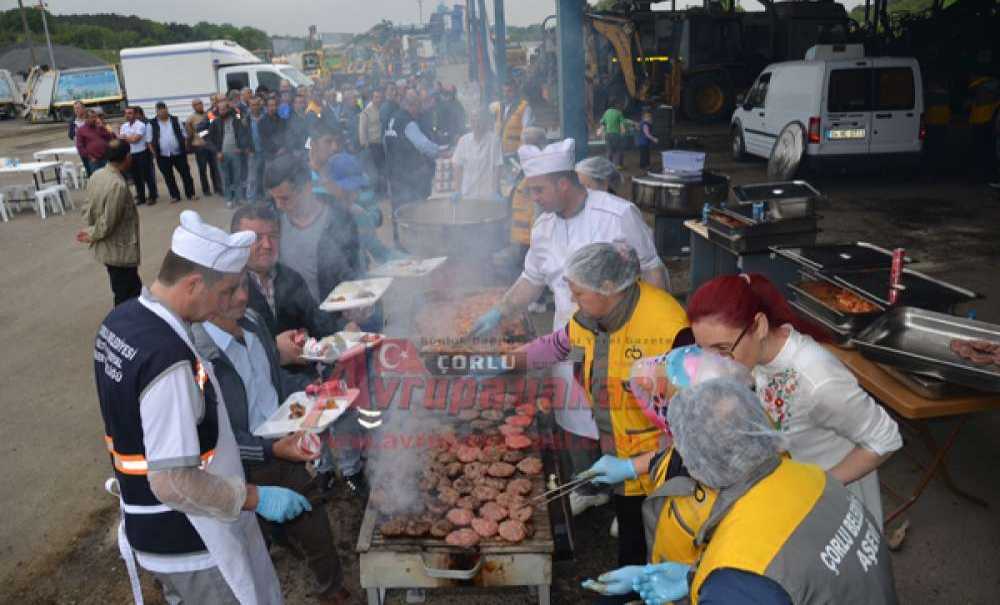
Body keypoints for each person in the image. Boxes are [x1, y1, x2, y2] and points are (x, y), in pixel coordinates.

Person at [94, 210, 311, 604]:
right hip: (191, 536)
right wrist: (256, 498)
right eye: (226, 291)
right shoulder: (168, 358)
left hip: (151, 526)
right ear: (194, 283)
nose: (230, 303)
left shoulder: (122, 321)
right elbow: (173, 481)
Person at [473, 140, 669, 514]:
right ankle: (593, 486)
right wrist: (501, 311)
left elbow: (652, 268)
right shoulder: (543, 227)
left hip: (624, 338)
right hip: (570, 335)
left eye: (538, 189)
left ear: (564, 183)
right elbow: (532, 279)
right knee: (576, 415)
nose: (532, 198)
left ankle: (633, 498)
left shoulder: (618, 214)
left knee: (627, 421)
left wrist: (656, 341)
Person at [585, 379, 898, 605]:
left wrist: (713, 587)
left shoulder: (739, 573)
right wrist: (693, 578)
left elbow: (755, 575)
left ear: (699, 465)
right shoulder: (809, 476)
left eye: (681, 448)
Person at [520, 243, 688, 604]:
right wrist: (506, 360)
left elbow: (693, 418)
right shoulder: (589, 316)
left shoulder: (668, 326)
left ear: (610, 287)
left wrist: (645, 463)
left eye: (577, 291)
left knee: (667, 539)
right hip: (620, 453)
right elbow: (558, 344)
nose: (571, 297)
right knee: (630, 529)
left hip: (667, 463)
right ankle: (633, 586)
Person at [686, 274, 902, 527]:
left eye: (722, 349)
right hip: (790, 485)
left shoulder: (818, 380)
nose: (715, 361)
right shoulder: (755, 356)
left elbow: (886, 438)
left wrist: (820, 486)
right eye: (704, 349)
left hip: (831, 504)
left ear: (760, 325)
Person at [191, 274, 352, 605]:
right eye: (229, 290)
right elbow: (210, 436)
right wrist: (268, 449)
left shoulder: (252, 322)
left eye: (243, 287)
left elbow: (272, 381)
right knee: (249, 553)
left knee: (314, 524)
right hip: (237, 467)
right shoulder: (197, 353)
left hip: (281, 446)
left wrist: (311, 394)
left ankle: (331, 589)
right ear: (204, 292)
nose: (241, 297)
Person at [232, 205, 344, 347]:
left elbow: (317, 323)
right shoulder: (229, 290)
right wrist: (275, 351)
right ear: (236, 242)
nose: (267, 245)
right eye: (257, 238)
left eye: (273, 236)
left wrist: (344, 328)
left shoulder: (291, 278)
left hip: (302, 368)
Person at [77, 139, 141, 306]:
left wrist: (91, 228)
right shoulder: (117, 184)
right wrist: (92, 234)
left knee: (130, 288)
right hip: (119, 250)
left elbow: (87, 208)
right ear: (127, 157)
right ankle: (123, 326)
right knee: (126, 294)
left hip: (109, 249)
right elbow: (108, 222)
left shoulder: (97, 175)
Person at [384, 89, 447, 245]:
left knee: (398, 209)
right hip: (408, 174)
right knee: (412, 208)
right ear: (411, 106)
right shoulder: (408, 122)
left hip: (393, 173)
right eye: (417, 107)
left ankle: (399, 242)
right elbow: (423, 145)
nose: (419, 111)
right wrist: (440, 152)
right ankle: (413, 244)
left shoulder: (392, 118)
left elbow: (385, 143)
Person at [150, 101, 196, 203]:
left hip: (178, 153)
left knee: (186, 174)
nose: (162, 113)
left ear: (167, 109)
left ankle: (191, 194)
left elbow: (184, 134)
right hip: (162, 155)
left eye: (164, 110)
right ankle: (175, 196)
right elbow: (149, 140)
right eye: (160, 111)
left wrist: (184, 146)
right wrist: (154, 153)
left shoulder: (175, 120)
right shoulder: (152, 123)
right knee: (168, 177)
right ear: (156, 112)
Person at [450, 110, 502, 199]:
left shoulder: (494, 140)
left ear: (485, 122)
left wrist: (495, 191)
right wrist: (457, 190)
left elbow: (497, 167)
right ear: (470, 123)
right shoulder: (463, 140)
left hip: (488, 195)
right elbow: (457, 166)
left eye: (479, 120)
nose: (476, 124)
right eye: (473, 121)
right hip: (467, 193)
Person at [209, 99, 251, 208]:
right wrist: (217, 152)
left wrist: (241, 147)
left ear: (228, 109)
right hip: (222, 155)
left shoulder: (236, 119)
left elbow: (243, 132)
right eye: (220, 109)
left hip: (236, 154)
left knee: (238, 178)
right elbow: (209, 139)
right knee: (226, 179)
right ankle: (229, 199)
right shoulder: (214, 121)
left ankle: (239, 198)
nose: (222, 111)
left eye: (224, 109)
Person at [186, 98, 223, 197]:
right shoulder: (190, 118)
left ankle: (217, 187)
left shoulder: (209, 114)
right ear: (193, 107)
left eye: (200, 103)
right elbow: (190, 133)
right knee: (202, 169)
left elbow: (214, 125)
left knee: (214, 168)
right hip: (200, 146)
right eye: (197, 104)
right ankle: (206, 190)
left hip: (211, 146)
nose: (199, 106)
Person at [119, 106, 155, 206]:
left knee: (147, 176)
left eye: (130, 113)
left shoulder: (141, 125)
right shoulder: (124, 126)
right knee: (136, 177)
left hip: (142, 153)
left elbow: (135, 140)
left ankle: (152, 196)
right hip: (130, 155)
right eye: (126, 113)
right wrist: (129, 137)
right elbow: (123, 140)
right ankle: (141, 197)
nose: (127, 115)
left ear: (135, 114)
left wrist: (126, 137)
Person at [358, 88, 385, 191]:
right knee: (374, 172)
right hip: (373, 145)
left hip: (382, 144)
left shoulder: (382, 109)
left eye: (380, 97)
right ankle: (376, 193)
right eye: (376, 97)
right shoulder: (366, 112)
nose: (378, 99)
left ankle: (382, 192)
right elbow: (362, 130)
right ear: (372, 98)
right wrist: (365, 145)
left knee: (382, 170)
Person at [74, 109, 115, 176]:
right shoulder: (81, 130)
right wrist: (90, 157)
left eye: (95, 117)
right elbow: (80, 146)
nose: (95, 119)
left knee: (108, 177)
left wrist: (102, 127)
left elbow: (110, 138)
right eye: (92, 117)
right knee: (98, 179)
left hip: (106, 158)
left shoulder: (99, 127)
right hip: (94, 160)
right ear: (86, 118)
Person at [245, 96, 270, 203]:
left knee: (266, 176)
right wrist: (246, 147)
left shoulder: (266, 118)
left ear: (260, 105)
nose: (255, 107)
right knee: (252, 178)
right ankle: (251, 199)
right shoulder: (245, 119)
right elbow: (242, 135)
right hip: (253, 152)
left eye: (257, 104)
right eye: (252, 105)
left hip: (265, 151)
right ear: (249, 106)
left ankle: (267, 198)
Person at [601, 99, 627, 168]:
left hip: (608, 134)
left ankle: (609, 165)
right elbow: (622, 125)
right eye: (618, 104)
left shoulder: (606, 112)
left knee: (609, 150)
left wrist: (601, 132)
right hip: (616, 134)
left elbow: (603, 124)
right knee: (619, 150)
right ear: (615, 105)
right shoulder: (619, 113)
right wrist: (623, 132)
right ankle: (619, 165)